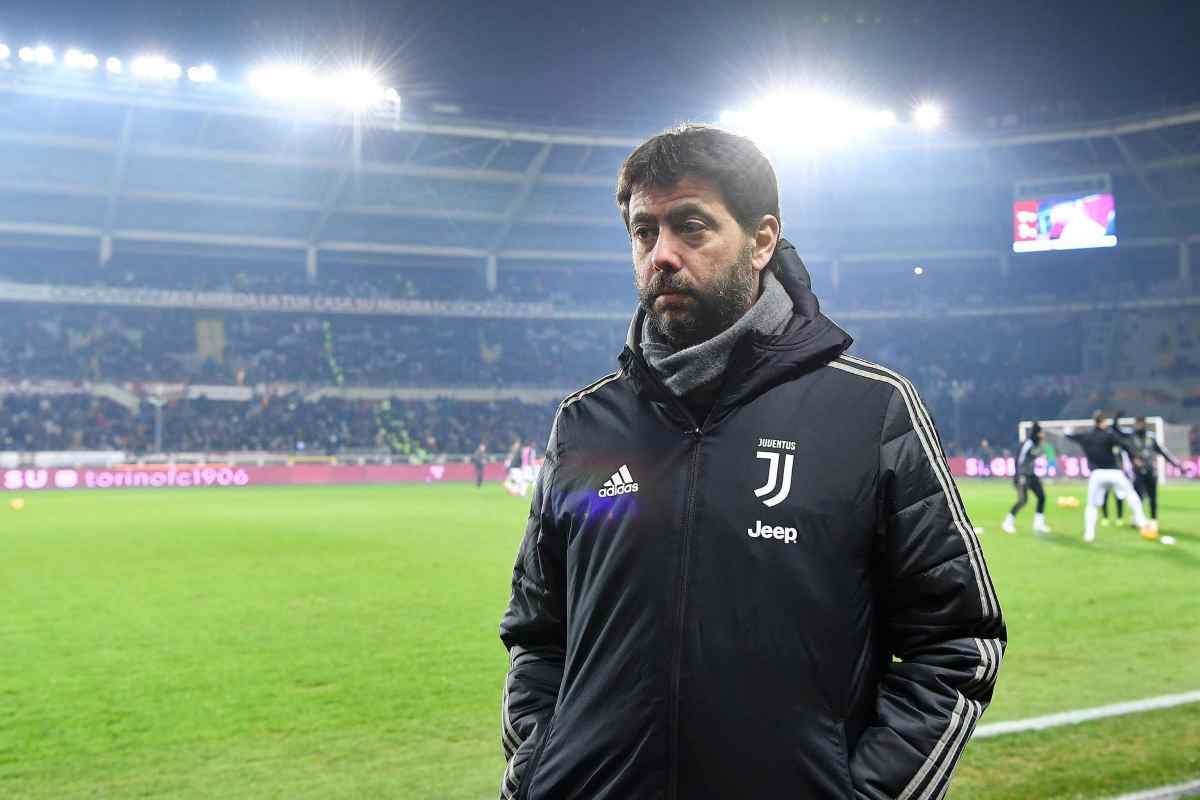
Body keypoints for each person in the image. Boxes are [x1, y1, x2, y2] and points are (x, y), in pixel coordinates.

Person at [498, 124, 1005, 800]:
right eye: (644, 231)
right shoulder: (586, 425)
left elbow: (958, 638)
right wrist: (539, 771)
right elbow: (538, 633)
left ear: (762, 240)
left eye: (691, 226)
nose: (663, 254)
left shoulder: (870, 412)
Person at [1066, 410, 1150, 542]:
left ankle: (1089, 534)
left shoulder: (1086, 436)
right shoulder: (1109, 435)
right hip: (1113, 472)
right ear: (1103, 422)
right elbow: (1124, 445)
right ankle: (1141, 520)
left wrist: (1068, 431)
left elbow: (1070, 436)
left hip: (1096, 474)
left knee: (1091, 505)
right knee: (1130, 493)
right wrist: (1135, 457)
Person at [1129, 416, 1183, 529]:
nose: (1139, 426)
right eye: (1137, 423)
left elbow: (1163, 452)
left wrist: (1177, 465)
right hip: (1137, 473)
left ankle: (1153, 520)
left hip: (1150, 471)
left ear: (1144, 424)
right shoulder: (1131, 437)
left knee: (1152, 497)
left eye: (1141, 423)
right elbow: (1128, 451)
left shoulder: (1151, 437)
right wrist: (1133, 459)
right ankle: (1137, 517)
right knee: (1138, 497)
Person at [1002, 422, 1051, 535]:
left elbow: (1033, 456)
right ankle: (1008, 522)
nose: (1043, 434)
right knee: (1023, 500)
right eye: (1042, 432)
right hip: (1023, 475)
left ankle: (1038, 524)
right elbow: (1019, 459)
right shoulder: (1028, 444)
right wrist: (1017, 476)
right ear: (1037, 433)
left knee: (1042, 497)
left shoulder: (1036, 444)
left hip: (1031, 475)